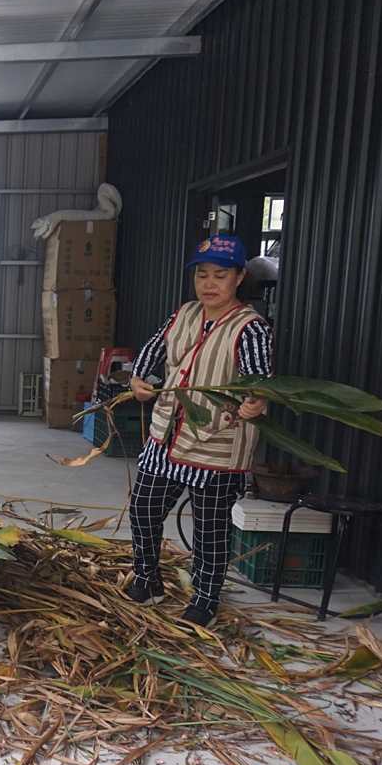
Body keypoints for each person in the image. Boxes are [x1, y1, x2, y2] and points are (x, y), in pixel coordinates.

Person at [127, 234, 275, 628]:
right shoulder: (185, 314)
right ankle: (147, 579)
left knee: (209, 526)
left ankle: (205, 598)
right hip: (167, 433)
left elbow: (258, 380)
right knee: (143, 507)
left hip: (216, 443)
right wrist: (139, 377)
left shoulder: (250, 328)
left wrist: (255, 400)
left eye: (220, 275)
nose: (209, 284)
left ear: (239, 277)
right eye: (202, 274)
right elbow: (154, 349)